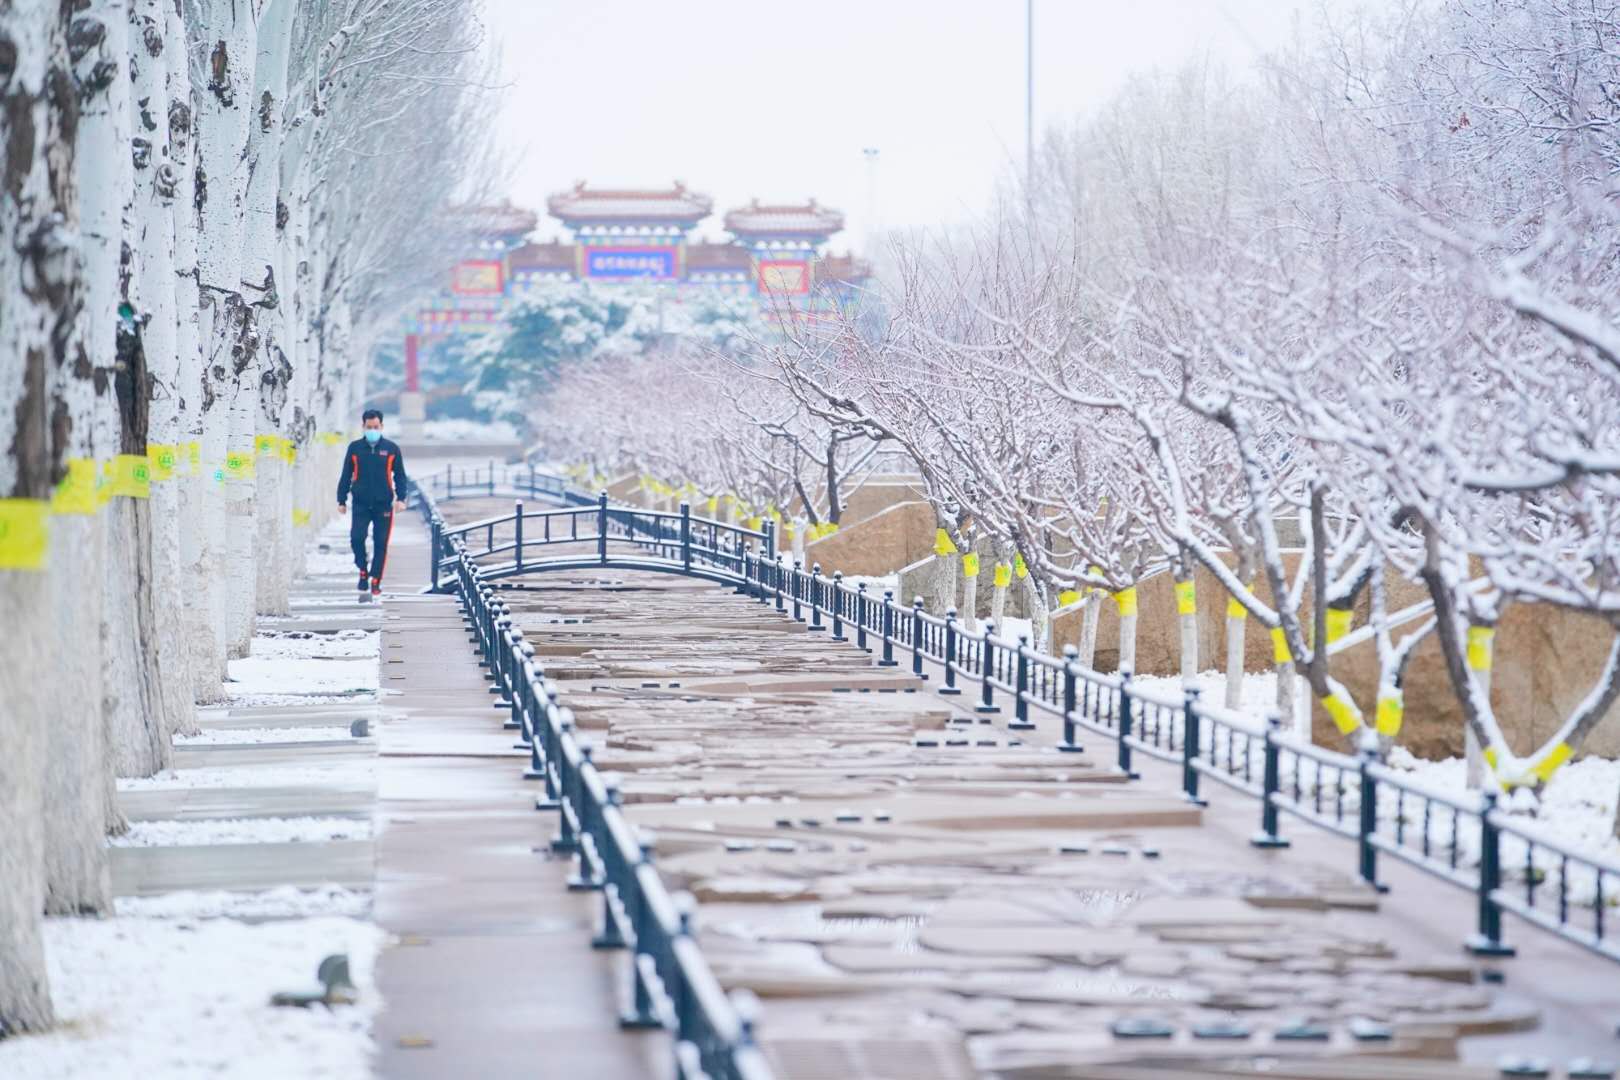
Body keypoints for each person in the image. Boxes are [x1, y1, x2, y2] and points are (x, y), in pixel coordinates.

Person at [337, 408, 408, 599]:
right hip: (360, 503)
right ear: (363, 426)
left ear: (382, 426)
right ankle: (362, 569)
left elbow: (400, 476)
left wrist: (401, 499)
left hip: (383, 505)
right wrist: (341, 500)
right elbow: (346, 475)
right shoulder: (355, 448)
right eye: (369, 427)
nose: (372, 430)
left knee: (381, 543)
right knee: (356, 538)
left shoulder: (392, 449)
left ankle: (376, 579)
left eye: (376, 427)